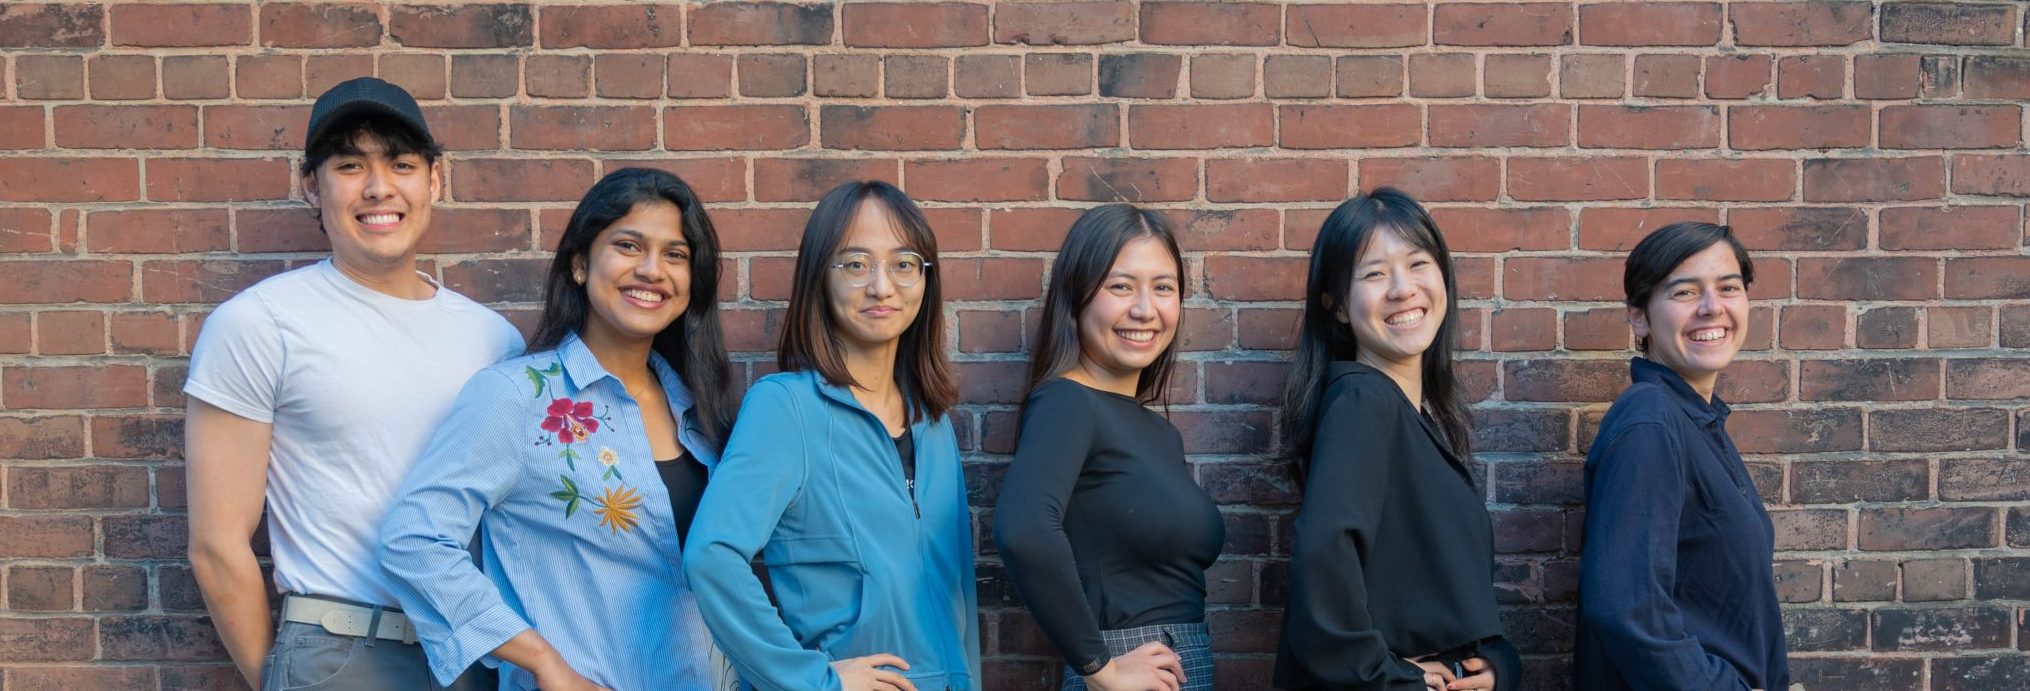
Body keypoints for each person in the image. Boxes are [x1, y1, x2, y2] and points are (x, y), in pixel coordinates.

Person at [183, 77, 521, 689]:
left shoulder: (495, 341)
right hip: (341, 653)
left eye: (401, 164)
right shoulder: (260, 324)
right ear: (312, 186)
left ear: (435, 181)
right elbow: (216, 545)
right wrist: (281, 680)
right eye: (349, 165)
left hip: (476, 655)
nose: (378, 188)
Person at [378, 168, 740, 690]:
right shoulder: (518, 395)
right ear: (579, 264)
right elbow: (414, 539)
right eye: (628, 245)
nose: (652, 270)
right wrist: (543, 662)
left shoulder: (699, 413)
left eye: (676, 255)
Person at [683, 180, 980, 691]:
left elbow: (959, 593)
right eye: (856, 264)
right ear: (820, 277)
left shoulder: (931, 422)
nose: (882, 286)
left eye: (904, 264)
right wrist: (810, 679)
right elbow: (712, 556)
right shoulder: (786, 408)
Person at [1274, 188, 1521, 691]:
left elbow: (1438, 585)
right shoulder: (1363, 401)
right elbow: (1323, 559)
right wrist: (1390, 680)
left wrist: (1496, 663)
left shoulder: (1416, 416)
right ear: (1338, 306)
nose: (1402, 289)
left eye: (1417, 264)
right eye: (1374, 274)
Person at [996, 204, 1222, 691]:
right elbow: (1024, 527)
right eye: (1121, 286)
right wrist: (1100, 666)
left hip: (1180, 663)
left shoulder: (1157, 431)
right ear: (1077, 295)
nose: (1145, 309)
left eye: (1163, 287)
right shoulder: (1067, 402)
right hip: (1129, 669)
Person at [1573, 222, 1789, 691]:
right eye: (1685, 292)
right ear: (1640, 318)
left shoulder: (1695, 423)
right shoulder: (1650, 422)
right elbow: (1626, 610)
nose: (1713, 307)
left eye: (1728, 287)